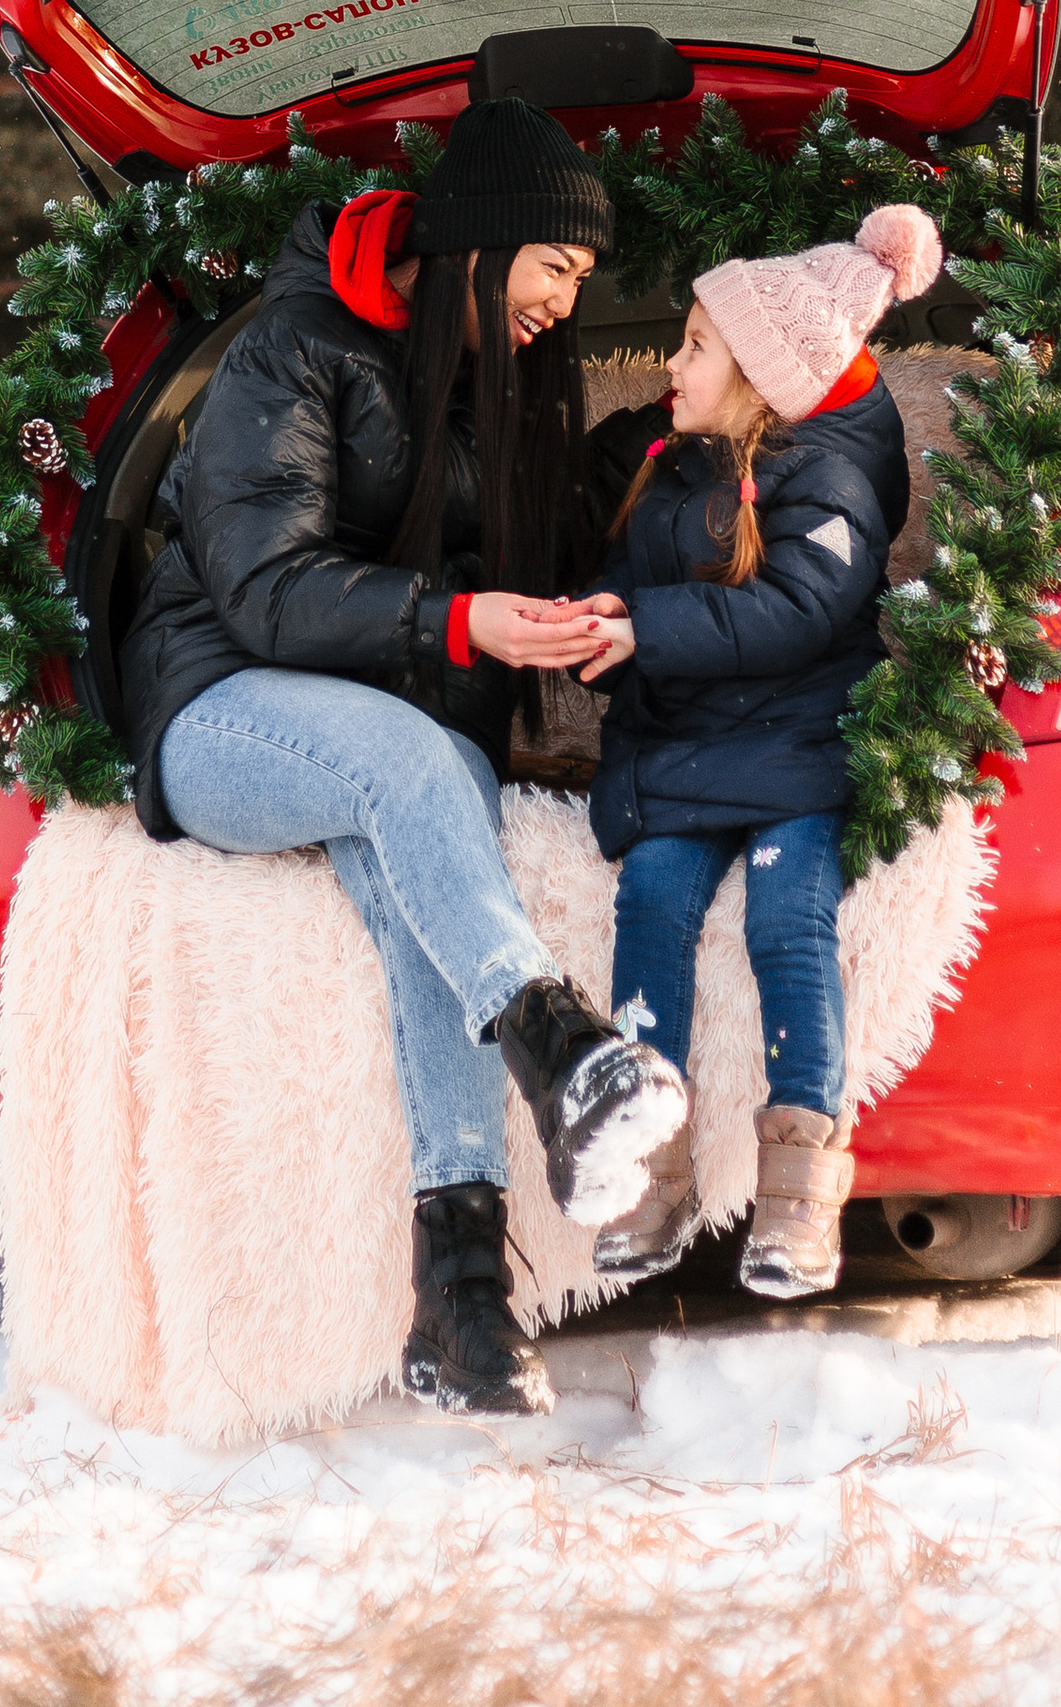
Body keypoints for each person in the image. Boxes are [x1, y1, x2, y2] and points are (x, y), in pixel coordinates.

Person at [118, 95, 690, 1415]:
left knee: (420, 846)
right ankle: (554, 1045)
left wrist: (647, 447)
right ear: (485, 241)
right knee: (409, 763)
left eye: (587, 276)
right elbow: (264, 587)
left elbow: (517, 575)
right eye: (560, 264)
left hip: (387, 743)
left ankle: (463, 1297)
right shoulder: (294, 349)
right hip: (222, 709)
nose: (570, 296)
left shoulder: (495, 386)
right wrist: (452, 619)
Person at [574, 202, 942, 1299]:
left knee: (789, 917)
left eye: (693, 347)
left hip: (793, 758)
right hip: (681, 760)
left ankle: (796, 1187)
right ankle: (652, 1167)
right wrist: (596, 619)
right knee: (650, 900)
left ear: (762, 381)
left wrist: (648, 629)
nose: (668, 364)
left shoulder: (824, 485)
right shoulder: (675, 465)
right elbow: (642, 584)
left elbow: (793, 614)